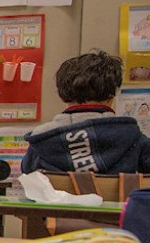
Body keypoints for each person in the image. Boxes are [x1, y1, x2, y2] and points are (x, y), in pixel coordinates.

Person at [21, 50, 150, 174]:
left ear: (61, 95)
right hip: (117, 197)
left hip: (59, 197)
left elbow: (27, 172)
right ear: (112, 95)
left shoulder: (42, 139)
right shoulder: (133, 137)